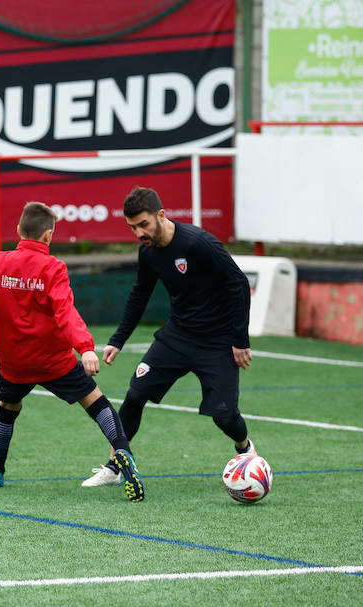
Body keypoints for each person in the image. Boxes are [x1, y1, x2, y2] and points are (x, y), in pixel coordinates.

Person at [0, 201, 144, 502]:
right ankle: (123, 453)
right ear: (48, 236)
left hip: (14, 363)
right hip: (55, 362)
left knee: (7, 408)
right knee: (96, 402)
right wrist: (86, 348)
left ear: (18, 231)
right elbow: (66, 313)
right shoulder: (53, 267)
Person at [82, 186, 256, 488]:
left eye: (144, 224)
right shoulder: (147, 251)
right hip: (177, 336)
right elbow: (140, 294)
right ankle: (115, 464)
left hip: (216, 341)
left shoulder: (198, 243)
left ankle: (245, 449)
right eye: (133, 227)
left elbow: (238, 284)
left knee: (224, 416)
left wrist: (239, 340)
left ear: (161, 215)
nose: (139, 232)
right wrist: (118, 339)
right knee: (135, 394)